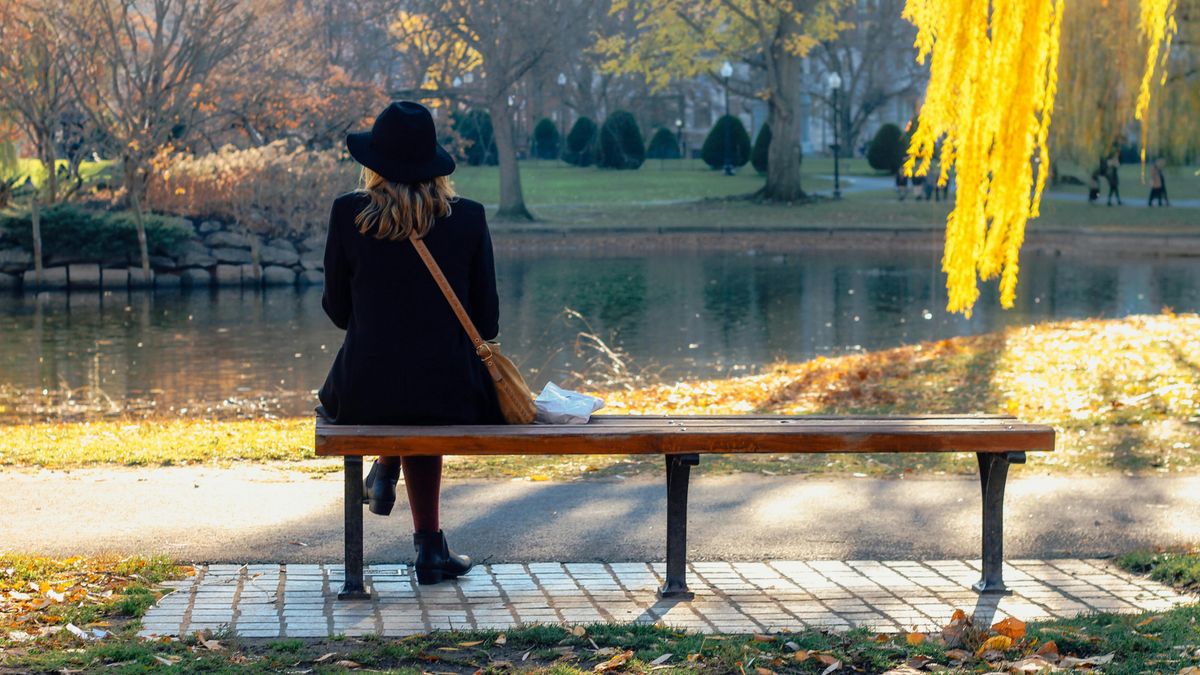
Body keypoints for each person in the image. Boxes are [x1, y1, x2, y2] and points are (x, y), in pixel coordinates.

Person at [317, 101, 502, 585]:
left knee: (401, 390)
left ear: (373, 163)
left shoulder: (347, 214)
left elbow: (337, 312)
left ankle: (386, 466)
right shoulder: (469, 218)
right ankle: (428, 550)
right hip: (451, 393)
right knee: (424, 393)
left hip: (363, 391)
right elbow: (487, 321)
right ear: (432, 163)